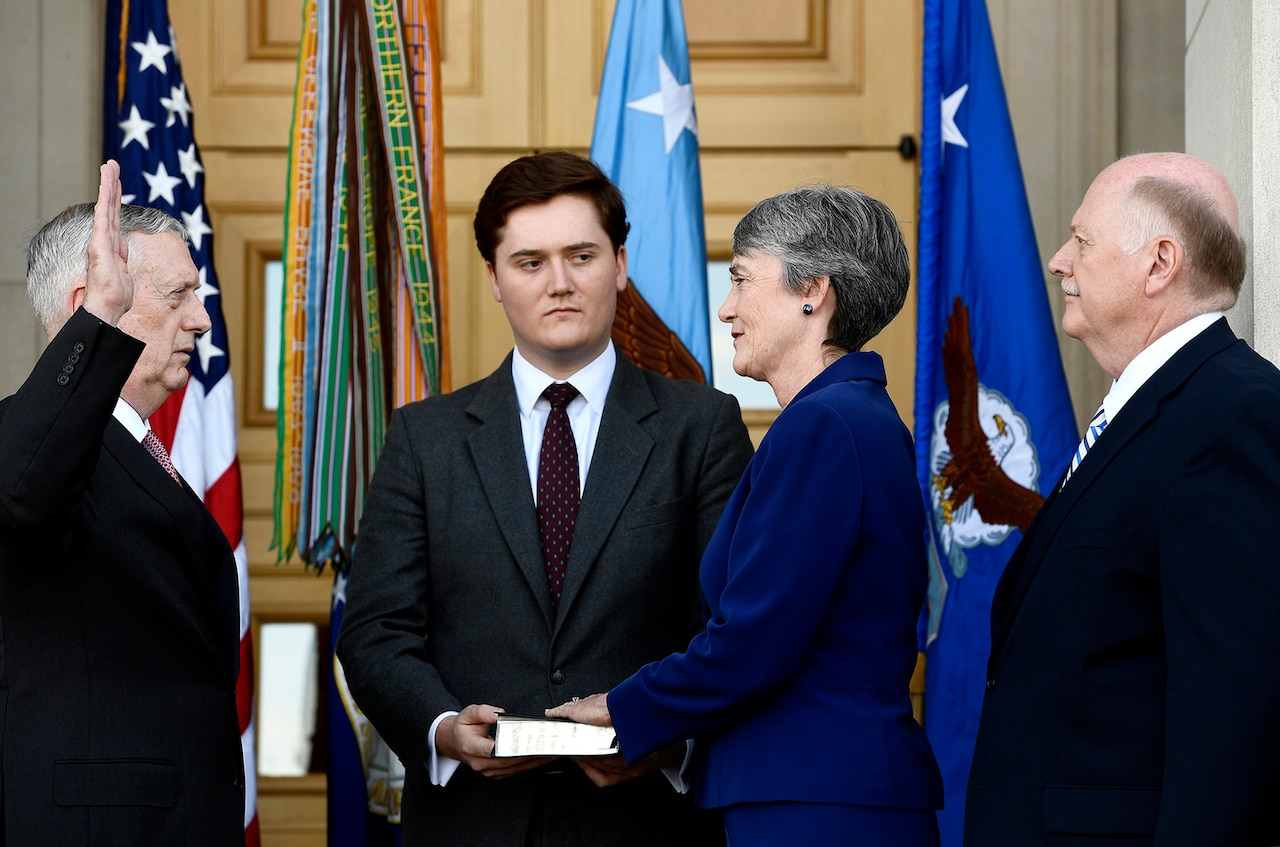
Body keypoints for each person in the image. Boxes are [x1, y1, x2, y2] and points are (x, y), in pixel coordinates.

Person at [336, 151, 754, 846]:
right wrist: (443, 727)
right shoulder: (423, 438)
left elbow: (733, 624)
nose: (559, 282)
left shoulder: (702, 427)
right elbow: (376, 631)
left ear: (620, 264)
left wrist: (667, 739)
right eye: (530, 262)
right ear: (496, 279)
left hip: (648, 819)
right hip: (471, 821)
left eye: (581, 255)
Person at [549, 184, 944, 845]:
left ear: (811, 290)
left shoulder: (825, 425)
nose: (726, 307)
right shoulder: (855, 417)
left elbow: (755, 641)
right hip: (825, 790)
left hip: (815, 801)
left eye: (740, 279)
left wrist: (622, 706)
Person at [964, 152, 1280, 845]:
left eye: (1081, 240)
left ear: (1159, 263)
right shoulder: (1153, 413)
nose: (1057, 261)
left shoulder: (1234, 416)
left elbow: (1233, 713)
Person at [0, 161, 245, 844]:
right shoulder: (33, 443)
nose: (201, 319)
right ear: (92, 303)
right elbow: (23, 494)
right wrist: (97, 325)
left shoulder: (144, 451)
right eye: (177, 297)